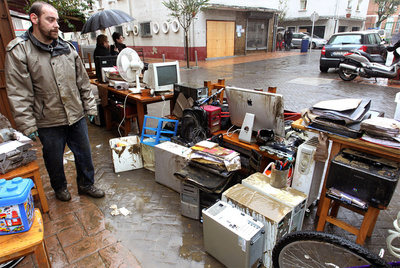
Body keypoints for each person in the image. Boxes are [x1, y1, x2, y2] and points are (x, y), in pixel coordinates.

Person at [5, 1, 105, 201]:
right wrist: (27, 123)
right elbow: (19, 92)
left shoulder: (67, 48)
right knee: (53, 159)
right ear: (34, 19)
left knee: (84, 154)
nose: (56, 25)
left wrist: (90, 106)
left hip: (75, 115)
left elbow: (82, 82)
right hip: (47, 119)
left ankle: (86, 184)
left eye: (56, 20)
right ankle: (60, 188)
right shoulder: (20, 51)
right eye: (50, 20)